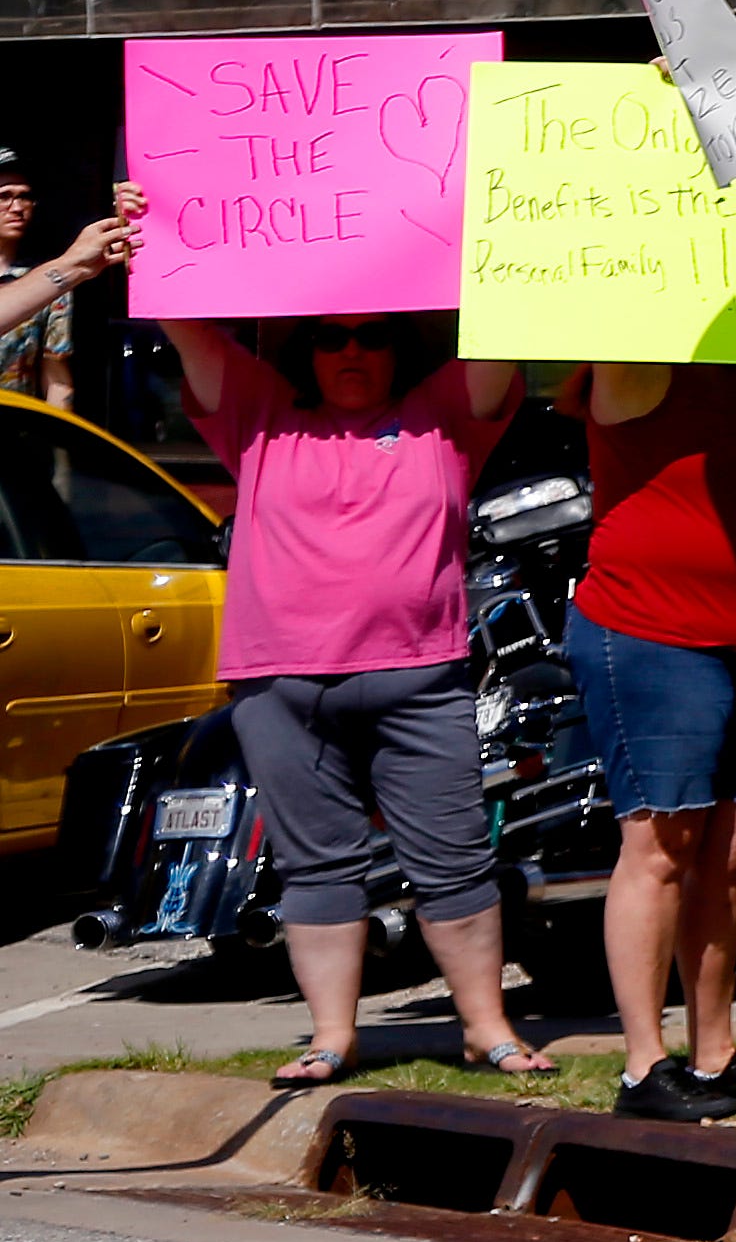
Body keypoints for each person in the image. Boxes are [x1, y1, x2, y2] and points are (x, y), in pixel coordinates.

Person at [130, 251, 541, 1086]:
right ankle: (331, 1037)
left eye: (372, 335)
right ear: (304, 350)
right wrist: (155, 232)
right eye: (330, 337)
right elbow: (183, 320)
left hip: (421, 678)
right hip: (281, 686)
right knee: (317, 866)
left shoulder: (443, 414)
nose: (351, 350)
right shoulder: (260, 412)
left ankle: (486, 1028)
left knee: (454, 860)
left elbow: (512, 320)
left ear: (401, 346)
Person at [548, 352, 736, 1119]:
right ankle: (644, 1067)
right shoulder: (640, 365)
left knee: (732, 850)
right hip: (651, 633)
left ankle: (713, 1057)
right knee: (662, 841)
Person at [0, 149, 131, 408]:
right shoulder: (55, 276)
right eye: (4, 196)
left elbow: (56, 377)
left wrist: (61, 445)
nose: (17, 207)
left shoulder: (47, 284)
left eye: (25, 196)